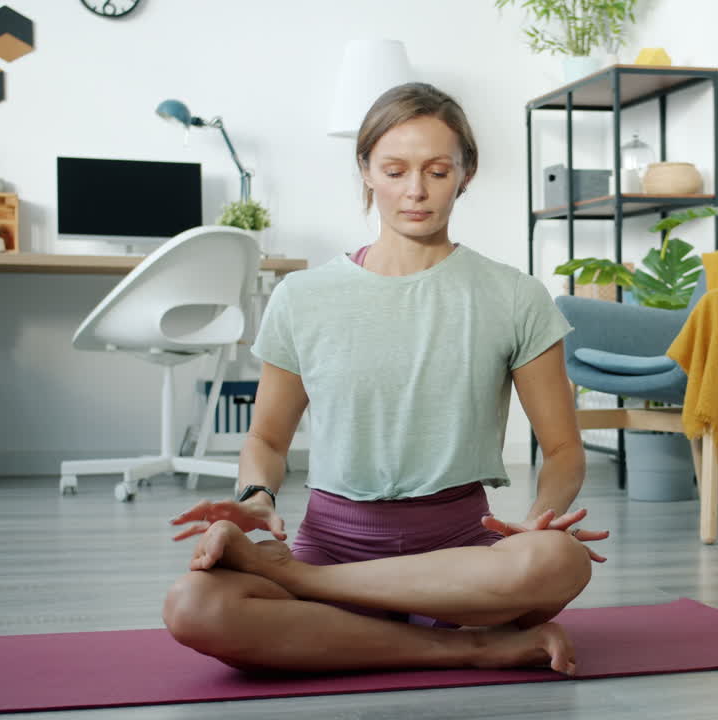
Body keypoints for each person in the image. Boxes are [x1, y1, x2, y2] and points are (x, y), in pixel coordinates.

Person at [162, 83, 606, 676]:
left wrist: (538, 517)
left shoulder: (515, 296)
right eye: (395, 170)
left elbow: (562, 449)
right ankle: (470, 647)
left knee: (561, 561)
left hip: (460, 556)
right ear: (366, 170)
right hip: (335, 540)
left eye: (438, 171)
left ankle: (312, 590)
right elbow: (266, 439)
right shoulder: (303, 296)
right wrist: (256, 497)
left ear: (466, 174)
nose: (416, 191)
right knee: (192, 606)